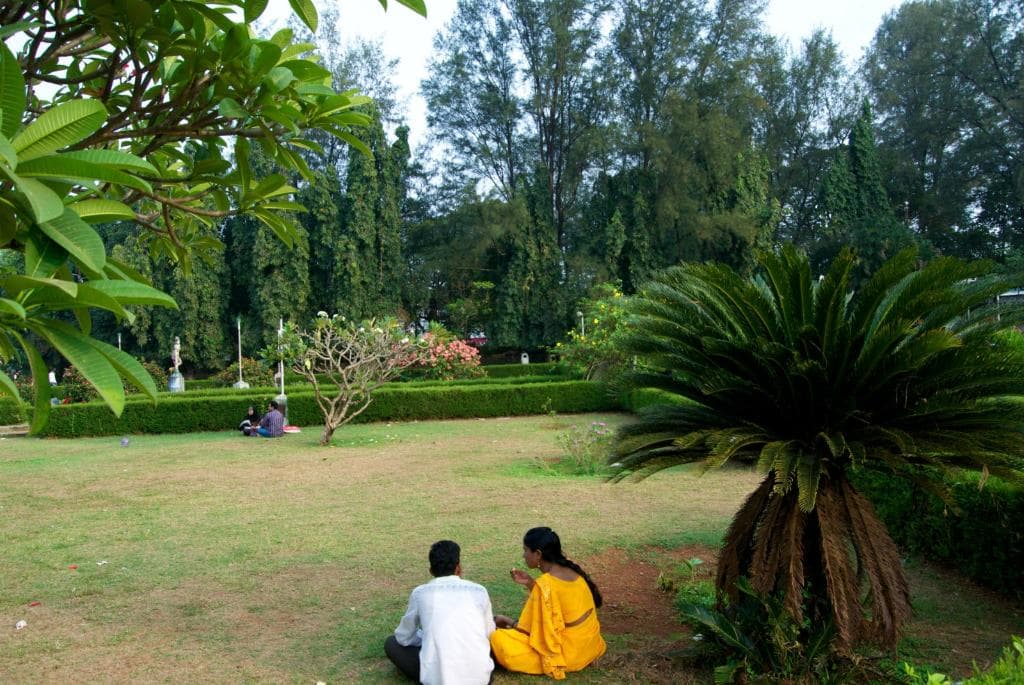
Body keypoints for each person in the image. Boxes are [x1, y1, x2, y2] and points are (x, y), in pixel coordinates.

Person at [490, 527, 606, 680]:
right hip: (590, 645)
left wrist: (506, 620)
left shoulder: (545, 584)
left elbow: (531, 632)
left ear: (538, 554)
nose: (523, 555)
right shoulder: (571, 570)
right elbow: (556, 602)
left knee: (497, 639)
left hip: (568, 654)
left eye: (525, 550)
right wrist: (531, 583)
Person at [385, 540, 495, 685]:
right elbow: (489, 634)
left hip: (438, 680)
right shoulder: (479, 590)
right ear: (459, 568)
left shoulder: (421, 593)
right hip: (481, 679)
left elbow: (403, 637)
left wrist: (426, 637)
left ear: (430, 571)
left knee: (392, 643)